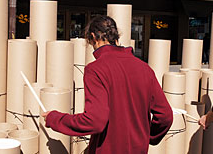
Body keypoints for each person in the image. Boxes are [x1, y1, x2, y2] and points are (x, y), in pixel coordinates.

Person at [42, 15, 173, 154]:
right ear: (116, 37)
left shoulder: (96, 69)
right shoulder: (144, 68)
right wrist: (147, 136)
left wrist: (55, 118)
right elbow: (165, 116)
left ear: (93, 37)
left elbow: (94, 121)